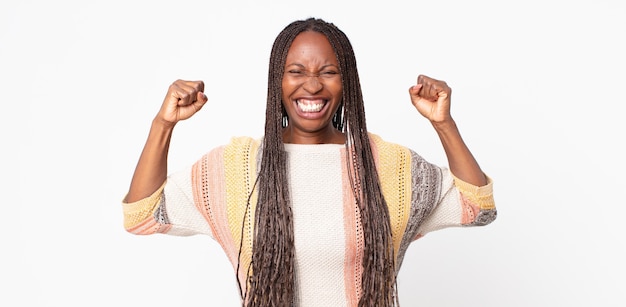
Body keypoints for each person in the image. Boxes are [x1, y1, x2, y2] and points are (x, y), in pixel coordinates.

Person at [121, 17, 496, 307]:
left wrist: (443, 123)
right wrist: (163, 125)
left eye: (328, 72)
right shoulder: (236, 168)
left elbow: (477, 206)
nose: (312, 86)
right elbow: (142, 215)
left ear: (346, 82)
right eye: (296, 72)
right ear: (277, 82)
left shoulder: (389, 167)